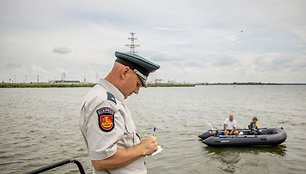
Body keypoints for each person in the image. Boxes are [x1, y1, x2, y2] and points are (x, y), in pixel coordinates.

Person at [79, 51, 160, 174]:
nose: (137, 91)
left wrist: (140, 143)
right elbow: (102, 160)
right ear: (125, 72)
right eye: (138, 84)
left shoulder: (107, 98)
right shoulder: (104, 102)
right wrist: (143, 148)